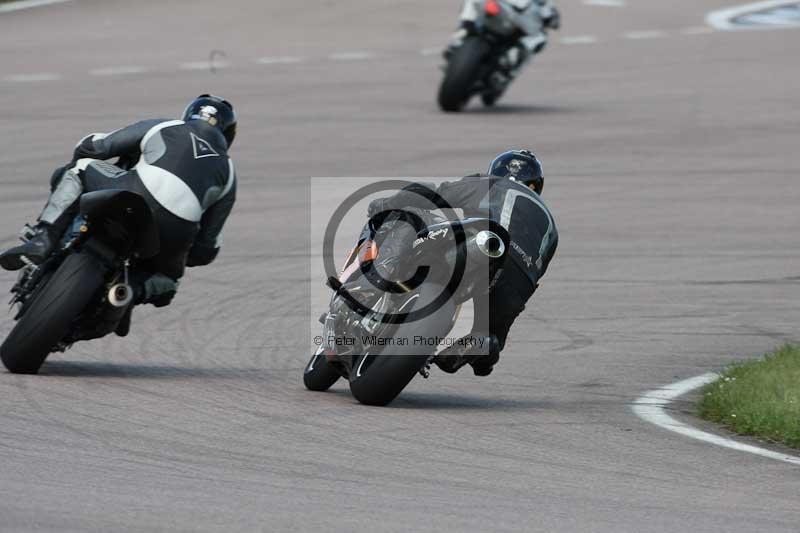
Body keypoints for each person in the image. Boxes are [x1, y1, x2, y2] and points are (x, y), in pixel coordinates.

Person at [0, 94, 237, 321]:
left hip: (132, 191)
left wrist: (81, 151)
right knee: (168, 281)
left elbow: (97, 147)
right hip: (175, 231)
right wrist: (179, 256)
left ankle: (43, 239)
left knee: (80, 168)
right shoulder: (229, 173)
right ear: (228, 135)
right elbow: (206, 248)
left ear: (189, 115)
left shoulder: (164, 126)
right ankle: (131, 291)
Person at [367, 150, 558, 376]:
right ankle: (477, 344)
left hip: (483, 241)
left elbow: (431, 194)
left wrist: (386, 204)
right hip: (519, 280)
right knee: (488, 337)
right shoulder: (551, 228)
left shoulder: (491, 184)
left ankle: (381, 275)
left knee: (413, 212)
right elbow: (536, 276)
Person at [446, 0, 561, 103]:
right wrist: (551, 18)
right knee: (539, 36)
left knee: (539, 37)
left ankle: (509, 65)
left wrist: (552, 18)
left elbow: (550, 15)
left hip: (514, 23)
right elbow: (550, 16)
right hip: (501, 16)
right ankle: (463, 32)